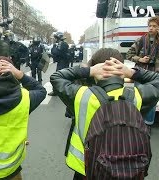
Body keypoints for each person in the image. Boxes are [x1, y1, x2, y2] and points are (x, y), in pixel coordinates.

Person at [50, 48, 159, 180]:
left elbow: (56, 77)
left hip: (87, 166)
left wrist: (89, 71)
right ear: (121, 68)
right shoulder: (138, 96)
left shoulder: (82, 96)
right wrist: (131, 72)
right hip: (131, 166)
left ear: (96, 67)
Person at [126, 16, 159, 128]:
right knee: (138, 97)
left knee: (152, 99)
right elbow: (129, 55)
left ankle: (147, 124)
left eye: (154, 26)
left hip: (154, 75)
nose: (151, 28)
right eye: (150, 26)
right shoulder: (140, 40)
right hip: (140, 73)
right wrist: (140, 59)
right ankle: (136, 122)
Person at [48, 32, 70, 96]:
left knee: (57, 77)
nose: (53, 39)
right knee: (62, 77)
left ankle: (56, 91)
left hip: (63, 63)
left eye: (54, 38)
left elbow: (56, 52)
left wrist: (53, 47)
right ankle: (59, 91)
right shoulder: (61, 44)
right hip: (62, 62)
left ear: (57, 38)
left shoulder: (62, 44)